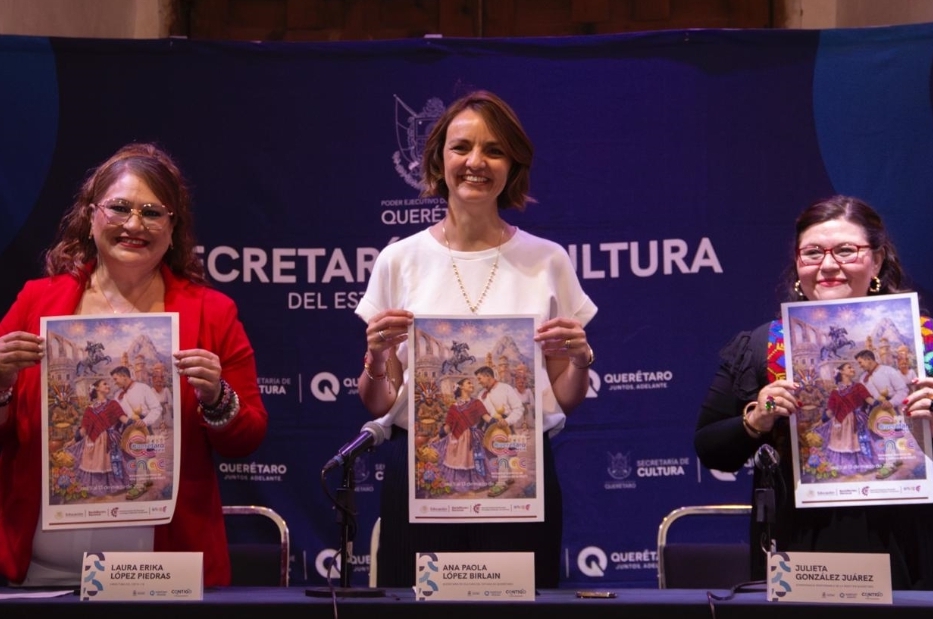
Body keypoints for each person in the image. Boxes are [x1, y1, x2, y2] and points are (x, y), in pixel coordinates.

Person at [356, 90, 597, 588]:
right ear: (438, 159)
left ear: (513, 165)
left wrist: (580, 361)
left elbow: (565, 399)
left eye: (494, 150)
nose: (476, 162)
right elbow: (380, 401)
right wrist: (377, 359)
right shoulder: (399, 260)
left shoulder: (547, 260)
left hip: (520, 479)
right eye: (461, 147)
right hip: (417, 481)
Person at [0, 142, 268, 588]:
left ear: (172, 227)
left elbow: (248, 437)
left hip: (159, 576)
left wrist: (217, 398)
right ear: (91, 215)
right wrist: (1, 385)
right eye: (120, 208)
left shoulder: (212, 313)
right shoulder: (36, 302)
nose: (134, 225)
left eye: (152, 212)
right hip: (41, 575)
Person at [694, 195, 933, 589]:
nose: (828, 265)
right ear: (797, 263)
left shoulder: (926, 343)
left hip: (912, 543)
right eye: (812, 253)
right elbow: (709, 447)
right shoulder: (763, 347)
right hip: (803, 549)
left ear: (876, 260)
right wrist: (755, 421)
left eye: (846, 250)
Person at [70, 378, 132, 497]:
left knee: (111, 463)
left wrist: (137, 422)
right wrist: (73, 440)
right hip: (94, 443)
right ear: (97, 388)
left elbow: (123, 419)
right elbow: (83, 429)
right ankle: (97, 489)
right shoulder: (89, 409)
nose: (108, 386)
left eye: (108, 384)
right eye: (105, 384)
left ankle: (114, 488)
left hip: (110, 440)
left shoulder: (113, 404)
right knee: (95, 464)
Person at [813, 362, 875, 476]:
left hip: (858, 421)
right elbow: (830, 412)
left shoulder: (859, 387)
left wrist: (882, 403)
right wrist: (821, 421)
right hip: (841, 424)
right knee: (842, 445)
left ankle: (863, 466)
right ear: (841, 371)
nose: (853, 369)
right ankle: (846, 469)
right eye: (849, 367)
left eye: (853, 367)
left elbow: (869, 400)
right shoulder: (835, 392)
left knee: (859, 443)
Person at [473, 364, 525, 497]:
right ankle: (507, 477)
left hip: (504, 425)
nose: (478, 381)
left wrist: (507, 421)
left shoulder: (505, 388)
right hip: (489, 426)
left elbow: (519, 408)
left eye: (480, 378)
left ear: (488, 376)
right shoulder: (481, 394)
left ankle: (502, 483)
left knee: (502, 451)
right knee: (498, 453)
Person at [435, 377, 493, 493]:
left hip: (474, 438)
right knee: (458, 461)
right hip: (458, 440)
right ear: (461, 386)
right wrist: (437, 437)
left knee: (475, 460)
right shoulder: (453, 407)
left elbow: (487, 418)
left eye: (472, 383)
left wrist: (500, 423)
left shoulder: (477, 403)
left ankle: (476, 484)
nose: (472, 385)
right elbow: (448, 427)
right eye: (469, 383)